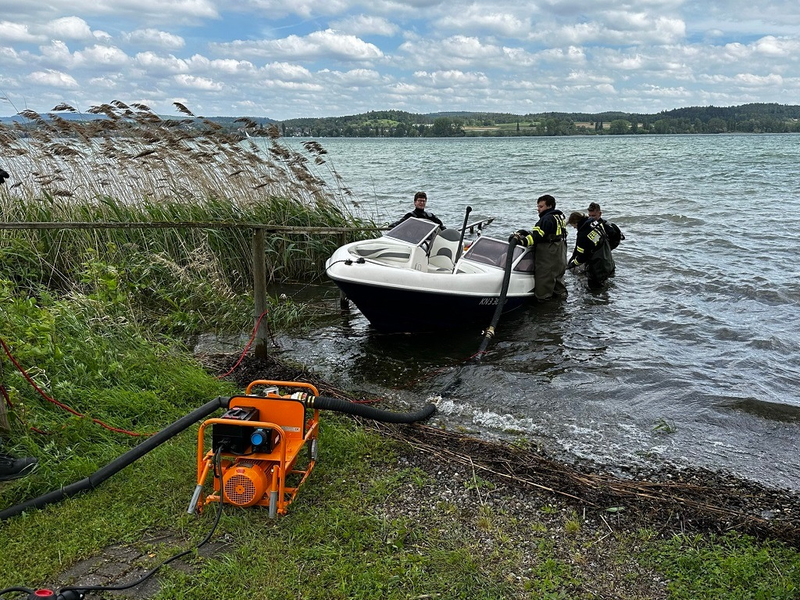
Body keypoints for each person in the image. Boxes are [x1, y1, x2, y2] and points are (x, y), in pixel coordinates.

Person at [513, 194, 568, 301]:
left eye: (541, 206)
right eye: (538, 206)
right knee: (558, 282)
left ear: (549, 206)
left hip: (549, 256)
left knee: (544, 283)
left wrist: (522, 241)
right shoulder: (559, 217)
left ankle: (544, 307)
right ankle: (561, 305)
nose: (538, 209)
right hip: (560, 254)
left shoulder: (546, 219)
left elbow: (537, 236)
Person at [566, 211, 615, 290]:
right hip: (608, 262)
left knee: (594, 291)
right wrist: (573, 256)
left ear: (576, 223)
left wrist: (572, 265)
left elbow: (581, 258)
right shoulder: (595, 223)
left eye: (573, 226)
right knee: (607, 287)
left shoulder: (582, 235)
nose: (574, 228)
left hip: (597, 268)